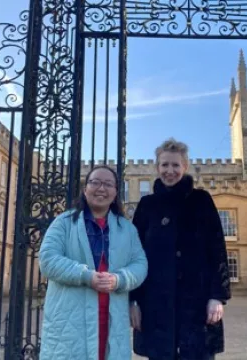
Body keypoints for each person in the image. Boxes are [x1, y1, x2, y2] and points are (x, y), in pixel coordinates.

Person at [130, 139, 231, 360]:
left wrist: (217, 296)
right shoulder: (147, 205)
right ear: (157, 168)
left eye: (176, 165)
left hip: (197, 302)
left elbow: (216, 249)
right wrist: (134, 300)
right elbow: (134, 255)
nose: (170, 171)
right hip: (155, 303)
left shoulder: (201, 200)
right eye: (165, 165)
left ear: (185, 167)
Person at [39, 166, 148, 360]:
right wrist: (86, 276)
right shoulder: (63, 222)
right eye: (95, 182)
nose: (101, 188)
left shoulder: (127, 229)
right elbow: (47, 259)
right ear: (85, 189)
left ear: (115, 192)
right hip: (70, 323)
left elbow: (140, 264)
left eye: (108, 184)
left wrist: (119, 279)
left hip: (111, 319)